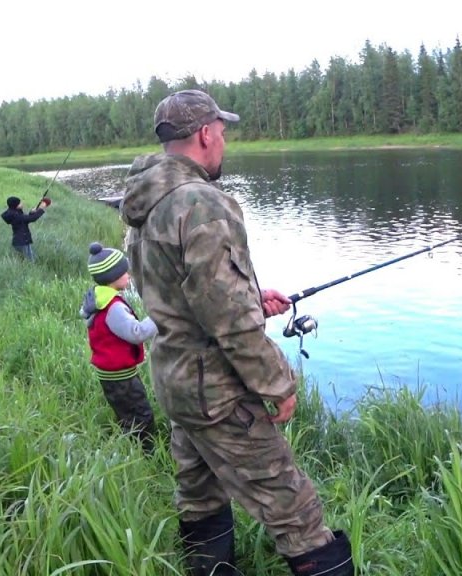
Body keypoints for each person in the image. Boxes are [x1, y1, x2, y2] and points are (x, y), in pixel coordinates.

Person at [119, 89, 353, 576]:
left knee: (198, 495)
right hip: (216, 391)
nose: (223, 142)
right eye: (222, 133)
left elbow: (181, 296)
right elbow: (225, 318)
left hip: (176, 382)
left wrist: (249, 300)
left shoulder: (146, 202)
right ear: (205, 134)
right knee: (295, 509)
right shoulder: (200, 203)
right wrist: (278, 383)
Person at [79, 242, 159, 454]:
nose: (129, 276)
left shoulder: (97, 298)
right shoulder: (113, 307)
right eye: (125, 272)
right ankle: (148, 454)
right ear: (112, 277)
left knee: (126, 413)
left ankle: (129, 447)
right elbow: (137, 333)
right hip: (121, 376)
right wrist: (160, 316)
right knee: (142, 414)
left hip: (109, 374)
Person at [0, 196, 47, 260]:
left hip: (23, 241)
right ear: (16, 205)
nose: (22, 203)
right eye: (20, 203)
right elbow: (32, 219)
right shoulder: (16, 215)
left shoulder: (15, 213)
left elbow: (25, 220)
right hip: (21, 242)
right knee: (30, 261)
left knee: (33, 259)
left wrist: (31, 212)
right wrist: (41, 209)